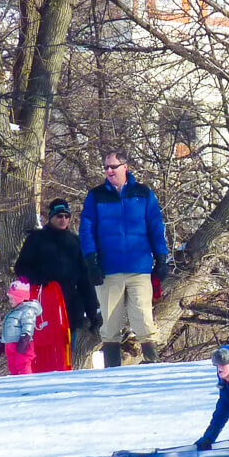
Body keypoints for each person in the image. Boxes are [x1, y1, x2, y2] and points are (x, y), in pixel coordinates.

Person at [79, 150, 169, 367]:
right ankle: (112, 369)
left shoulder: (143, 194)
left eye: (113, 166)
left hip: (139, 267)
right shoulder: (96, 196)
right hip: (109, 270)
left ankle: (152, 363)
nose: (109, 171)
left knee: (143, 318)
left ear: (125, 167)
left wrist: (161, 257)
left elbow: (155, 226)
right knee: (110, 323)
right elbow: (86, 229)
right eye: (106, 167)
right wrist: (91, 261)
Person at [14, 198, 101, 348]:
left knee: (66, 352)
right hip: (43, 303)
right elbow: (21, 267)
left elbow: (84, 280)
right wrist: (38, 278)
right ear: (51, 217)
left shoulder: (75, 241)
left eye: (67, 216)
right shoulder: (36, 239)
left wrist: (93, 312)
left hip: (70, 306)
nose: (63, 220)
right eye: (59, 216)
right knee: (45, 351)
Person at [0, 280, 43, 375]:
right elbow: (9, 328)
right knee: (12, 365)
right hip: (11, 345)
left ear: (20, 298)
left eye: (12, 298)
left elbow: (28, 323)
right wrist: (2, 341)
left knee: (22, 364)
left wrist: (26, 336)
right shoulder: (13, 312)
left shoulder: (27, 310)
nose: (10, 301)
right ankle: (15, 385)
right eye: (9, 298)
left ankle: (26, 383)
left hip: (22, 344)